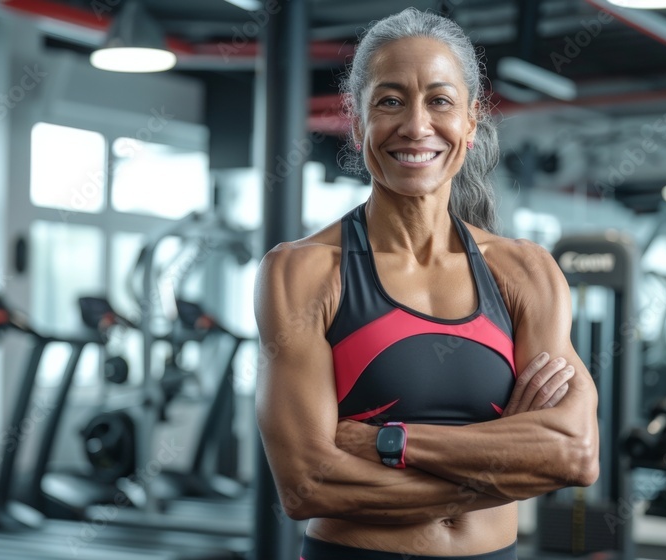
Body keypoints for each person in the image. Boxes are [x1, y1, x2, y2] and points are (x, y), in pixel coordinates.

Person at [254, 8, 599, 559]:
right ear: (358, 119)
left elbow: (573, 454)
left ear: (470, 120)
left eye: (439, 100)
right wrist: (499, 472)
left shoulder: (526, 272)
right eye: (390, 101)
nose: (416, 126)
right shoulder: (303, 272)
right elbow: (307, 484)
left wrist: (389, 441)